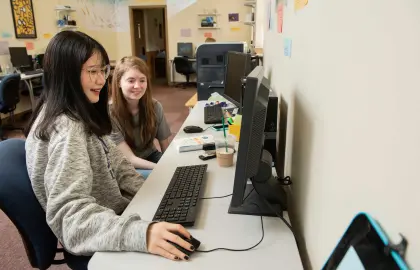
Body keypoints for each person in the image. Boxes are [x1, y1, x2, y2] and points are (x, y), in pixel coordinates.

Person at [25, 31, 193, 268]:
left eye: (103, 70)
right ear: (66, 75)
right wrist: (142, 234)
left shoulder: (81, 114)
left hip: (118, 217)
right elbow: (71, 220)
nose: (102, 80)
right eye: (92, 71)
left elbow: (121, 168)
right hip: (104, 235)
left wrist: (159, 195)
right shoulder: (67, 129)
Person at [109, 56, 171, 178]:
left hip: (150, 155)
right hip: (125, 164)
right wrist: (164, 168)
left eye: (142, 80)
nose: (137, 86)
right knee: (161, 177)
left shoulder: (155, 106)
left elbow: (165, 147)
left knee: (180, 169)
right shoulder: (109, 113)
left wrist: (170, 163)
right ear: (118, 83)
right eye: (131, 81)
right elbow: (130, 159)